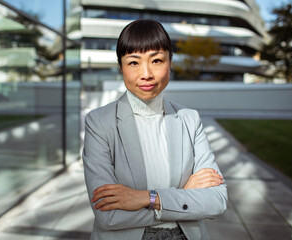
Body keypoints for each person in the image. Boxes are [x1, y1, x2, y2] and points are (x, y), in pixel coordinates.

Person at [82, 19, 227, 240]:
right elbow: (108, 215)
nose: (146, 73)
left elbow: (217, 200)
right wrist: (185, 198)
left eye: (157, 60)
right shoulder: (99, 122)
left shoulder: (190, 119)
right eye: (134, 62)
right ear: (121, 66)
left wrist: (147, 198)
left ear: (170, 64)